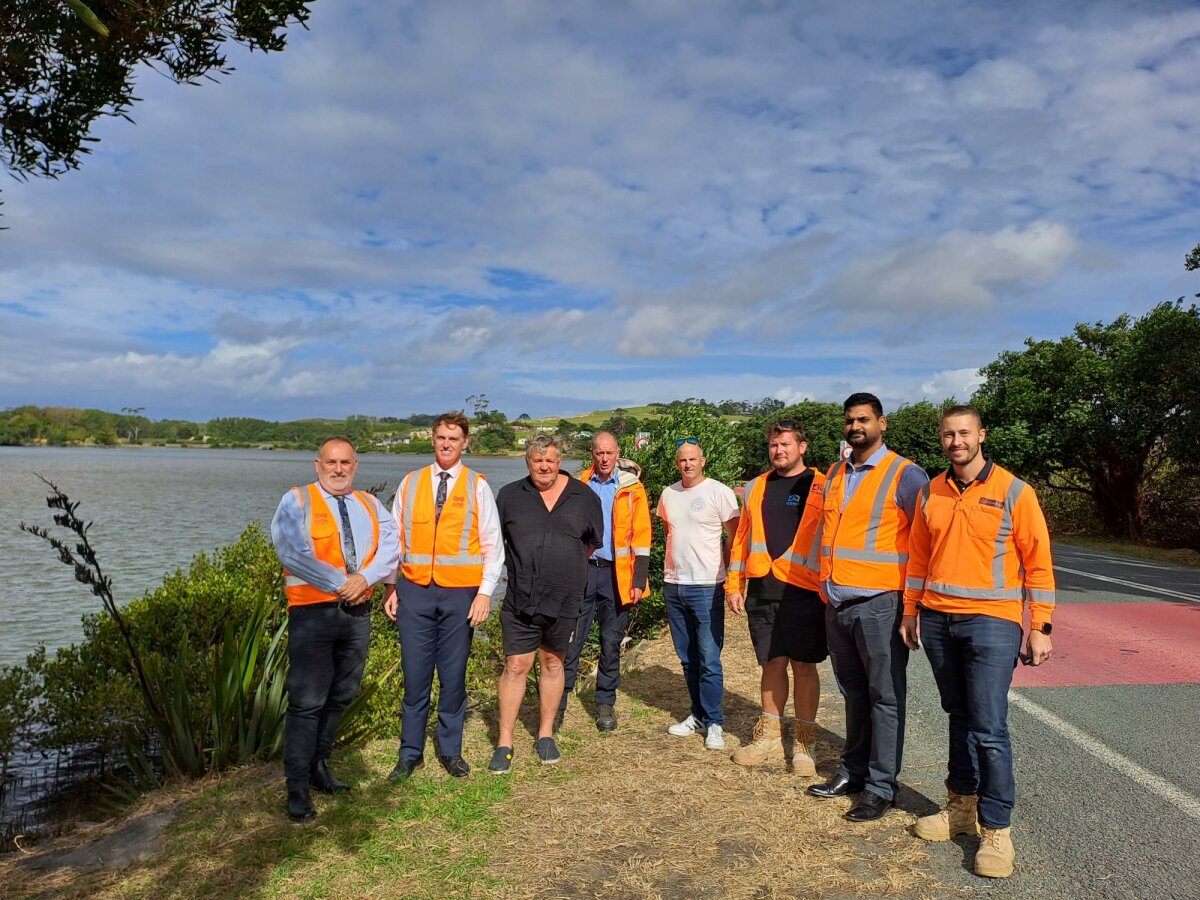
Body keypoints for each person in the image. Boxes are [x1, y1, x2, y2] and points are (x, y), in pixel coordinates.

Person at [899, 405, 1055, 879]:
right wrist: (911, 610)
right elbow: (919, 558)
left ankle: (997, 828)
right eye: (948, 434)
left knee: (988, 726)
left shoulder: (1014, 491)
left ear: (981, 435)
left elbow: (1038, 562)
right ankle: (960, 809)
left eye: (963, 433)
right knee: (959, 716)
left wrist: (1040, 625)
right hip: (940, 620)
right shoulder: (931, 491)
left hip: (994, 621)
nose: (955, 441)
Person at [807, 393, 929, 823]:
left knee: (885, 697)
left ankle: (881, 787)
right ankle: (853, 772)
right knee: (853, 695)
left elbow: (925, 541)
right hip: (838, 603)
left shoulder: (906, 475)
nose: (855, 426)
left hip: (881, 605)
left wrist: (913, 607)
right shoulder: (838, 472)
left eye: (864, 419)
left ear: (882, 423)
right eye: (850, 420)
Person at [270, 436, 400, 822]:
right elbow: (291, 552)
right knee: (307, 702)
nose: (338, 469)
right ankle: (296, 787)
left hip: (356, 614)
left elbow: (392, 546)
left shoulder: (369, 503)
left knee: (342, 693)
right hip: (313, 615)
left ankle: (319, 767)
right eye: (331, 462)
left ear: (355, 466)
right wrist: (341, 583)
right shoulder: (297, 500)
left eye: (346, 462)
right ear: (318, 464)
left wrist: (364, 579)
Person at [383, 411, 504, 780]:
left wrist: (484, 594)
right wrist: (390, 585)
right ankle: (410, 753)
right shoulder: (411, 482)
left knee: (453, 676)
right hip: (415, 592)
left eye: (454, 438)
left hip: (460, 596)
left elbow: (492, 546)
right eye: (441, 438)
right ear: (432, 440)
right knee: (415, 675)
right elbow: (393, 540)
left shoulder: (477, 485)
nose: (446, 444)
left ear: (465, 442)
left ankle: (451, 751)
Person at [489, 433, 604, 773]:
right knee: (515, 666)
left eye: (550, 460)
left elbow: (590, 544)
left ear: (560, 462)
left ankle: (545, 735)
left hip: (566, 598)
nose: (544, 466)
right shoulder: (510, 496)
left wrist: (561, 568)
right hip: (520, 598)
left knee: (554, 664)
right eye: (537, 461)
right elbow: (498, 542)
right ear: (528, 463)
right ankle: (505, 741)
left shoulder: (584, 497)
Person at [725, 418, 828, 776]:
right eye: (773, 445)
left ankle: (804, 743)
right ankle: (768, 735)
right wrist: (733, 583)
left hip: (805, 590)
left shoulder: (823, 485)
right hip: (763, 588)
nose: (778, 450)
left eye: (785, 444)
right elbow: (741, 538)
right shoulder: (756, 486)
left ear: (802, 447)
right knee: (771, 662)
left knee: (803, 665)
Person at [559, 432, 651, 732]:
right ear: (592, 453)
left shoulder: (632, 487)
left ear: (617, 453)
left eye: (609, 453)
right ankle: (558, 702)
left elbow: (642, 535)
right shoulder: (577, 485)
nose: (604, 458)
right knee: (572, 639)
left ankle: (605, 703)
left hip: (617, 574)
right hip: (582, 572)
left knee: (611, 642)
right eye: (599, 453)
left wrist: (639, 579)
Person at [658, 438, 740, 751]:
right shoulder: (668, 494)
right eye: (682, 460)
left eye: (693, 459)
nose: (687, 465)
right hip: (674, 584)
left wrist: (732, 580)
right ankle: (698, 715)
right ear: (677, 463)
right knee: (687, 658)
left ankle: (715, 722)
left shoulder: (719, 492)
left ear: (702, 461)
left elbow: (734, 538)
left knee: (708, 658)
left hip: (707, 585)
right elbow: (671, 534)